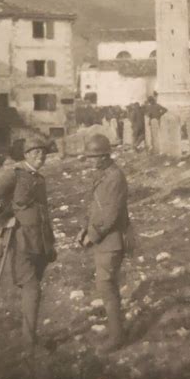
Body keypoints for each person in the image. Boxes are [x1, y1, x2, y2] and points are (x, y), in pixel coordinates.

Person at [0, 136, 56, 354]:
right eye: (36, 153)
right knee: (32, 288)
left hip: (38, 240)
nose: (41, 157)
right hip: (20, 241)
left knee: (34, 289)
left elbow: (42, 211)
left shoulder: (38, 178)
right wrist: (3, 220)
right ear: (27, 155)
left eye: (43, 153)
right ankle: (29, 344)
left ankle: (29, 337)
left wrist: (50, 241)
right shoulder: (14, 174)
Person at [77, 134, 130, 353]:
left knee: (106, 285)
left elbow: (111, 213)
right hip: (105, 238)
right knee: (107, 285)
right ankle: (116, 330)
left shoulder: (115, 177)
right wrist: (84, 229)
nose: (89, 161)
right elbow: (95, 207)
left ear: (103, 157)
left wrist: (94, 234)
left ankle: (117, 337)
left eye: (92, 157)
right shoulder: (103, 175)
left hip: (112, 239)